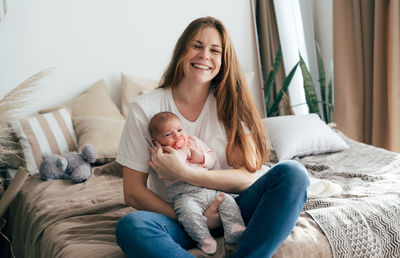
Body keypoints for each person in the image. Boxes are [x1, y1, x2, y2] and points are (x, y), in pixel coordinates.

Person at [115, 16, 309, 258]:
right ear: (181, 51)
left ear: (223, 60)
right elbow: (133, 192)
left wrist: (185, 173)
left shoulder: (233, 106)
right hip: (180, 216)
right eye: (196, 46)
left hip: (235, 210)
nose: (204, 55)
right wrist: (194, 219)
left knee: (293, 173)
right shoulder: (145, 109)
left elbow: (246, 177)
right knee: (132, 226)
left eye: (214, 50)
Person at [148, 111, 246, 254]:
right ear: (156, 141)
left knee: (229, 202)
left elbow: (211, 159)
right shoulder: (161, 153)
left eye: (180, 130)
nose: (177, 136)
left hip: (207, 187)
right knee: (189, 215)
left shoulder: (193, 141)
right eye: (168, 134)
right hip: (183, 194)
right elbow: (169, 168)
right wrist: (180, 156)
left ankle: (235, 230)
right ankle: (204, 239)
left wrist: (201, 157)